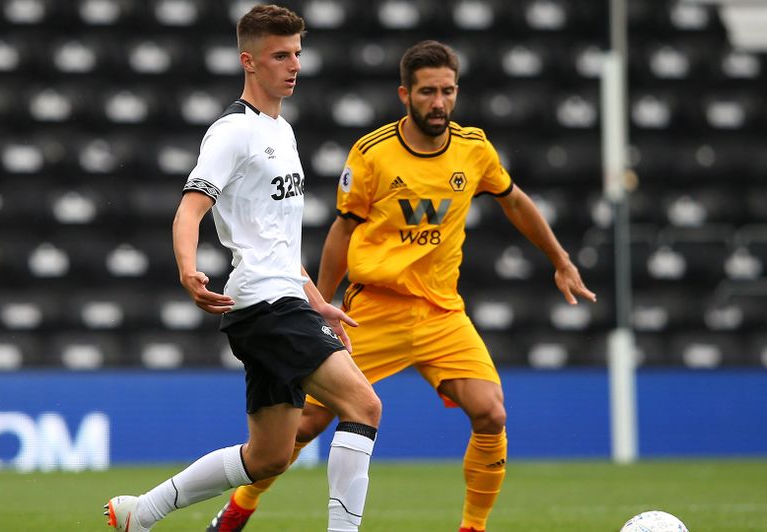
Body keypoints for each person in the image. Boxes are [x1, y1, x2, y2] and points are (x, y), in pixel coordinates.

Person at [208, 40, 597, 532]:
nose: (439, 103)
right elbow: (341, 232)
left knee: (491, 413)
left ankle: (472, 528)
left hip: (441, 313)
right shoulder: (373, 154)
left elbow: (515, 201)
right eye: (428, 92)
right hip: (374, 310)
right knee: (305, 424)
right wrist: (318, 304)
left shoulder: (474, 149)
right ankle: (241, 505)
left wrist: (561, 261)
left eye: (448, 92)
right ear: (405, 94)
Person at [104, 5, 381, 532]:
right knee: (364, 406)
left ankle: (141, 512)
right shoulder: (232, 132)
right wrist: (188, 269)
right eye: (280, 55)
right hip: (265, 304)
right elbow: (189, 209)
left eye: (297, 53)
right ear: (248, 61)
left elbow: (273, 238)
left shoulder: (283, 131)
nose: (293, 64)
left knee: (270, 455)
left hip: (282, 301)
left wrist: (317, 299)